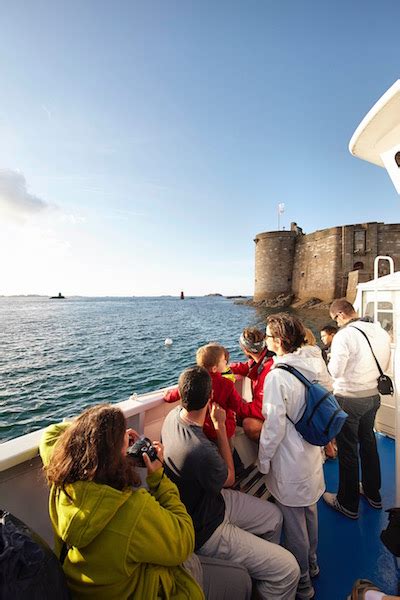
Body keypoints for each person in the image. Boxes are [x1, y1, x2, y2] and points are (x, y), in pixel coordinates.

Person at [161, 366, 300, 600]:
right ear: (210, 397)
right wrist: (220, 426)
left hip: (212, 502)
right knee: (289, 569)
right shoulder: (200, 448)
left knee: (274, 517)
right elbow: (230, 478)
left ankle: (259, 577)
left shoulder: (171, 418)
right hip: (208, 528)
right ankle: (270, 583)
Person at [39, 404, 203, 600]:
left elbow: (49, 435)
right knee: (198, 565)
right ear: (117, 458)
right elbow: (184, 541)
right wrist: (158, 478)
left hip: (83, 591)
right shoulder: (131, 510)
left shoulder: (64, 481)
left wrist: (101, 436)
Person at [259, 314, 325, 600]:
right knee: (310, 511)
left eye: (268, 336)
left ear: (280, 341)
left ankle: (303, 584)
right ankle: (312, 562)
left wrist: (263, 461)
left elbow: (273, 427)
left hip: (290, 462)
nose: (265, 341)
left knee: (295, 524)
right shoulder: (313, 363)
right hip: (312, 453)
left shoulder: (277, 376)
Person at [323, 298, 391, 519]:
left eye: (335, 319)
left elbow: (335, 372)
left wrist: (331, 358)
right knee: (369, 444)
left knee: (349, 451)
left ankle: (348, 504)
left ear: (340, 316)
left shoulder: (345, 335)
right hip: (373, 396)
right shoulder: (378, 330)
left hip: (349, 399)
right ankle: (373, 494)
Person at [164, 343, 245, 443]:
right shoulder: (227, 384)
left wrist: (167, 396)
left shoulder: (194, 380)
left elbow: (178, 392)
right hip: (224, 428)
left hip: (203, 431)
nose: (226, 362)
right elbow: (236, 405)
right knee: (227, 450)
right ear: (214, 368)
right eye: (224, 360)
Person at [229, 327, 275, 441]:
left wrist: (233, 404)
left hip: (276, 418)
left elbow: (260, 410)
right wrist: (224, 368)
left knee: (249, 424)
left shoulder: (266, 370)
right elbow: (247, 367)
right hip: (278, 413)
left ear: (246, 350)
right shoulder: (265, 358)